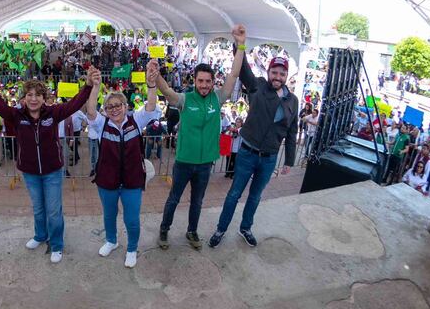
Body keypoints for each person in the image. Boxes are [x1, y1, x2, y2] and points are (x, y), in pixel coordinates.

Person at [0, 64, 94, 264]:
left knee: (53, 209)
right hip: (30, 172)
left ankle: (57, 244)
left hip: (52, 171)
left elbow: (75, 104)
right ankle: (40, 235)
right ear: (24, 98)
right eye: (29, 95)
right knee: (38, 208)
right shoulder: (17, 116)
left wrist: (87, 86)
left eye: (38, 95)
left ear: (44, 98)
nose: (33, 99)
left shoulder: (54, 113)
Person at [154, 25, 245, 250]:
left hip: (205, 164)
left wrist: (241, 45)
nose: (204, 85)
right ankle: (164, 230)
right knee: (174, 199)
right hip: (184, 162)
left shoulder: (218, 98)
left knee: (197, 201)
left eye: (208, 81)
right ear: (194, 81)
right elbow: (167, 93)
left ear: (213, 82)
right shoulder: (186, 100)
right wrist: (156, 77)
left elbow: (234, 73)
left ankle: (192, 232)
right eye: (200, 81)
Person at [208, 40, 300, 248]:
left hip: (269, 158)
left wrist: (289, 161)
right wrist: (238, 45)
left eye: (281, 74)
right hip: (248, 153)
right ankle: (221, 228)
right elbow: (243, 69)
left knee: (255, 196)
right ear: (269, 73)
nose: (277, 77)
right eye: (274, 72)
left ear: (286, 77)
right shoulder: (257, 85)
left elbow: (292, 132)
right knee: (234, 194)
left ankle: (245, 228)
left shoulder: (292, 100)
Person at [86, 63, 159, 268]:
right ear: (106, 110)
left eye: (119, 105)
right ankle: (111, 240)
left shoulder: (136, 120)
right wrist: (95, 87)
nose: (115, 109)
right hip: (107, 180)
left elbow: (151, 106)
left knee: (132, 218)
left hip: (132, 180)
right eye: (110, 107)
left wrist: (151, 85)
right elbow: (91, 110)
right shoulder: (102, 124)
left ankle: (132, 248)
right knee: (109, 214)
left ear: (126, 107)